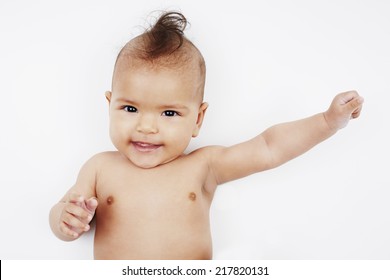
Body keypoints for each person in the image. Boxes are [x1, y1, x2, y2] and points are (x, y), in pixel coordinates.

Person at [49, 11, 364, 260]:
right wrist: (66, 219)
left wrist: (327, 121)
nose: (146, 127)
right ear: (109, 105)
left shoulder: (203, 166)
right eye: (130, 109)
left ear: (197, 119)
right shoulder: (99, 168)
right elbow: (60, 214)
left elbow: (269, 148)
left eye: (169, 113)